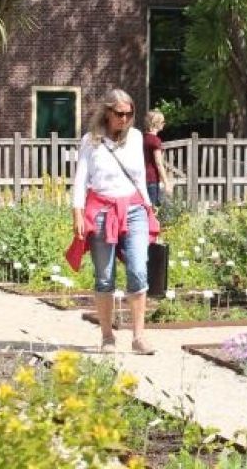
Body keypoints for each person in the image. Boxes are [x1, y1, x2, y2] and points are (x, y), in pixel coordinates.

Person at [71, 89, 161, 354]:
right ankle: (108, 336)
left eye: (130, 114)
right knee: (104, 276)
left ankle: (139, 337)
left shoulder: (135, 138)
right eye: (120, 114)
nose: (125, 119)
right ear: (107, 113)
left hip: (133, 208)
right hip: (101, 211)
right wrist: (77, 212)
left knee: (138, 269)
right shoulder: (91, 141)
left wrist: (148, 208)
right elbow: (80, 179)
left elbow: (140, 177)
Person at [143, 110, 167, 213]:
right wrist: (166, 182)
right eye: (162, 122)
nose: (164, 124)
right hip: (152, 179)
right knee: (153, 211)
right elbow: (158, 163)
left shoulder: (141, 138)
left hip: (141, 179)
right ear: (156, 123)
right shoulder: (155, 140)